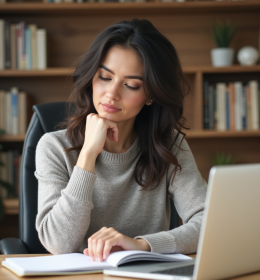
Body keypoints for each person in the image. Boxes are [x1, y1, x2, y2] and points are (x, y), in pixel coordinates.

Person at [35, 18, 207, 263]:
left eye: (131, 85)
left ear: (151, 94)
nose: (111, 94)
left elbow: (208, 222)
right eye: (105, 77)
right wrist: (87, 156)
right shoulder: (53, 147)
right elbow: (59, 244)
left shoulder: (168, 145)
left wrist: (141, 245)